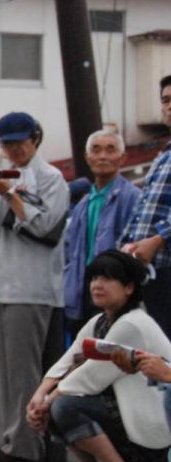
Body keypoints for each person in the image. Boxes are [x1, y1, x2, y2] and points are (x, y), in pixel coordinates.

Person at [29, 250, 171, 462]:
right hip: (128, 418)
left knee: (65, 406)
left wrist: (47, 402)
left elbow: (90, 378)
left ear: (128, 288)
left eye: (107, 279)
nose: (97, 285)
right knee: (55, 403)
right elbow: (67, 361)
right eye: (94, 278)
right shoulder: (99, 321)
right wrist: (39, 396)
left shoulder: (133, 323)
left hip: (152, 434)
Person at [0, 111, 69, 462]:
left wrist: (10, 193)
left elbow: (45, 226)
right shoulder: (3, 177)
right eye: (8, 144)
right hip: (0, 284)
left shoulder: (51, 177)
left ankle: (25, 446)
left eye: (19, 142)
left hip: (32, 286)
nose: (14, 150)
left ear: (35, 139)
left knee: (26, 370)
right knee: (5, 369)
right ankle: (4, 439)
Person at [64, 130, 140, 334]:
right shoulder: (82, 204)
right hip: (83, 292)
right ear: (87, 158)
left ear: (122, 158)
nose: (103, 156)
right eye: (96, 150)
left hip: (115, 295)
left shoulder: (132, 197)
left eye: (110, 150)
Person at [121, 77, 171, 339]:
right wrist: (125, 246)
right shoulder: (164, 155)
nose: (169, 106)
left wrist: (158, 239)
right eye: (166, 100)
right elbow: (142, 210)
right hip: (147, 268)